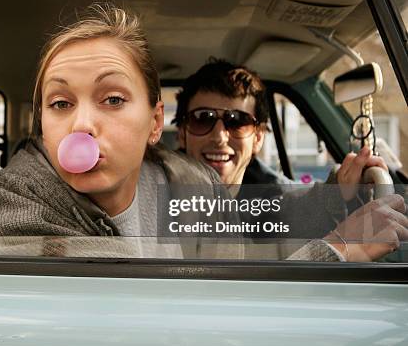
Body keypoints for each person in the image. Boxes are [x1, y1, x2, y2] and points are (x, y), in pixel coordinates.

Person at [0, 3, 407, 262]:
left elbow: (241, 266)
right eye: (60, 104)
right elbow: (142, 317)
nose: (81, 124)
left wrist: (335, 199)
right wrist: (336, 249)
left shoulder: (188, 183)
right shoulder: (10, 206)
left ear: (155, 122)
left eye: (113, 99)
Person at [172, 58, 405, 258]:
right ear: (182, 133)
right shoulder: (160, 201)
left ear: (258, 138)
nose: (220, 137)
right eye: (203, 118)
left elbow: (294, 209)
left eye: (237, 121)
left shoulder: (272, 199)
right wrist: (339, 248)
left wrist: (340, 192)